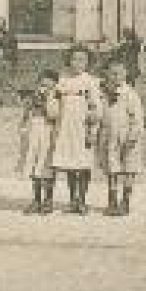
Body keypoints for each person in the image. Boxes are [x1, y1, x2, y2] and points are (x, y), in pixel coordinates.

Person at [49, 45, 103, 214]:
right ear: (69, 60)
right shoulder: (63, 80)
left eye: (82, 60)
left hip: (82, 126)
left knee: (83, 163)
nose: (77, 63)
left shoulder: (91, 81)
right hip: (66, 126)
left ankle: (82, 199)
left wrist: (92, 127)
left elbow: (96, 106)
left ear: (87, 62)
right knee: (70, 164)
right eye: (74, 59)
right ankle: (73, 199)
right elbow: (55, 101)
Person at [95, 58, 146, 216]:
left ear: (125, 74)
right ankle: (112, 201)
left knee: (129, 168)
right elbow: (99, 114)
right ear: (106, 74)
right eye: (112, 73)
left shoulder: (130, 94)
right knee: (112, 168)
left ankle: (125, 200)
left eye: (119, 73)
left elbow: (137, 118)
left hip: (127, 136)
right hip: (109, 136)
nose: (115, 76)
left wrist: (133, 135)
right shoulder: (103, 94)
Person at [17, 71, 60, 215]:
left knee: (47, 166)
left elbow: (54, 115)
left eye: (49, 86)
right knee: (34, 165)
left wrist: (47, 98)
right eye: (42, 85)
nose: (45, 88)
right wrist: (23, 129)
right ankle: (36, 200)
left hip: (48, 132)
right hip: (34, 132)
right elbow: (26, 114)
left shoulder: (56, 98)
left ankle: (48, 200)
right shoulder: (32, 98)